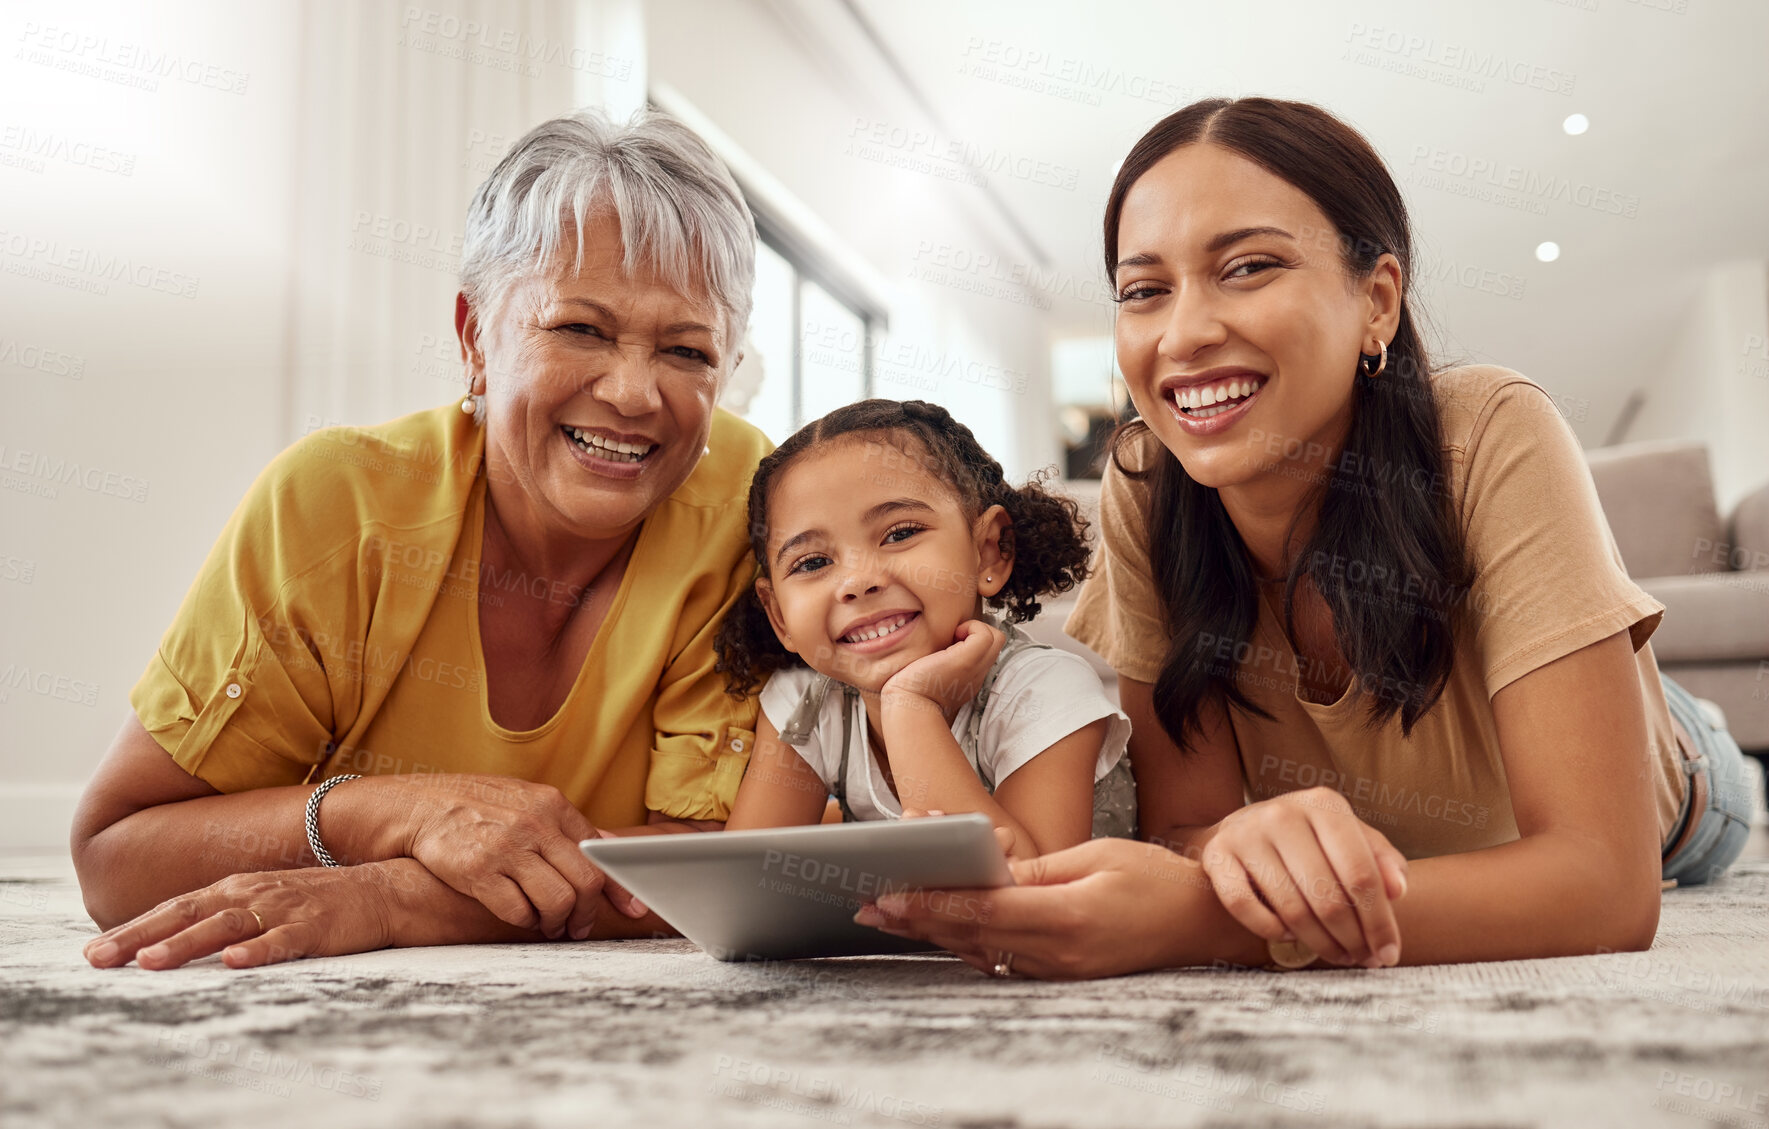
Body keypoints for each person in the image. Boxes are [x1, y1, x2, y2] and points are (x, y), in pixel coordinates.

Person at [856, 97, 1754, 979]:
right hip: (1402, 833)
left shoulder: (1489, 430)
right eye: (1143, 290)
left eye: (1246, 267)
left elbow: (1604, 885)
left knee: (1697, 776)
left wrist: (1209, 920)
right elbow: (1185, 826)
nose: (1186, 332)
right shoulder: (1149, 482)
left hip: (1680, 779)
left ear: (1376, 300)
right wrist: (1226, 843)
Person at [72, 108, 774, 971]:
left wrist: (393, 896)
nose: (633, 393)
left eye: (687, 351)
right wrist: (390, 812)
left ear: (727, 369)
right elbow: (114, 854)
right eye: (579, 328)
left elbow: (730, 863)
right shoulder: (335, 506)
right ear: (476, 337)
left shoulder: (755, 512)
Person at [714, 399, 1135, 859]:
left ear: (990, 551)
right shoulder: (805, 701)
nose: (857, 582)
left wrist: (911, 706)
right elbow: (750, 880)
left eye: (899, 534)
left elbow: (1025, 898)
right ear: (779, 616)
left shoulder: (1043, 691)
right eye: (813, 562)